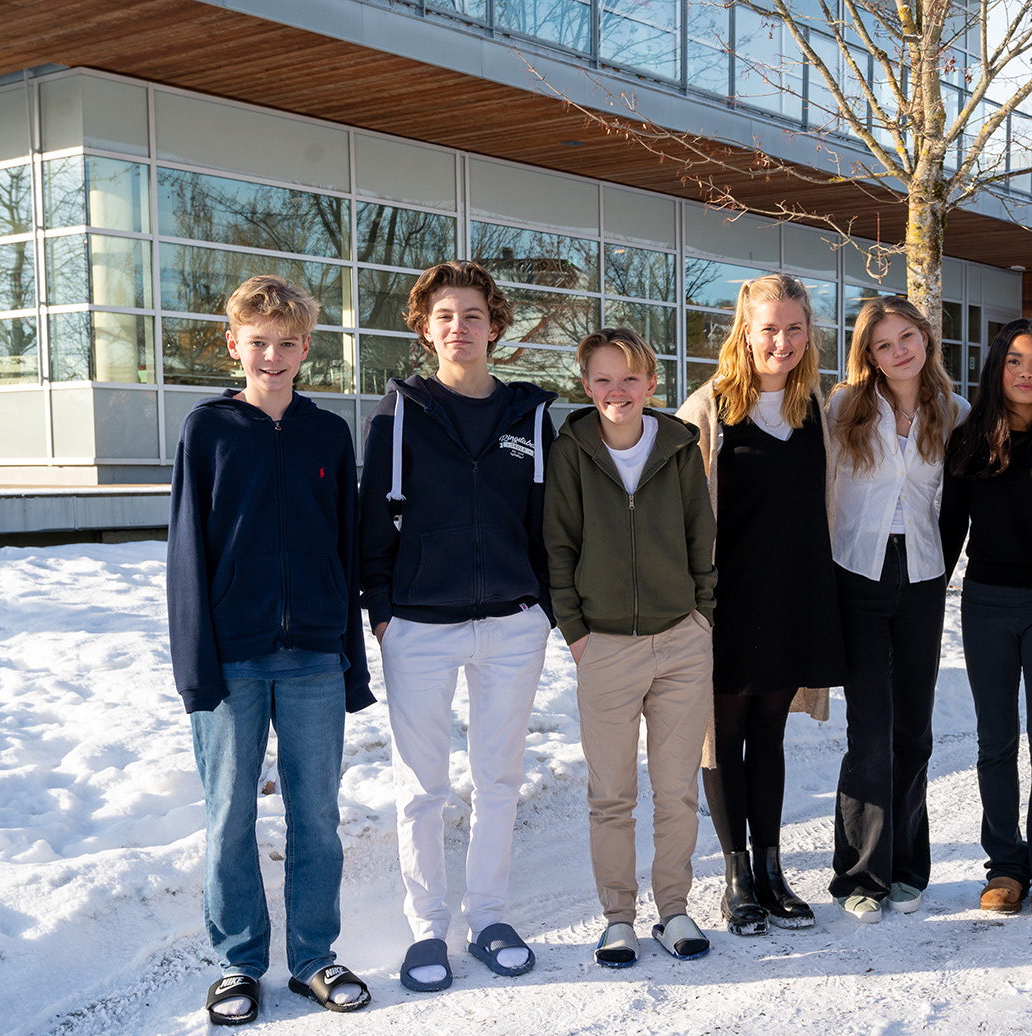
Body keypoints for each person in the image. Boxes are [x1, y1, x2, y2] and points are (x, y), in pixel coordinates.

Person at [167, 274, 375, 1026]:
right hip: (232, 657)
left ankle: (315, 957)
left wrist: (350, 660)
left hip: (315, 655)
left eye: (288, 343)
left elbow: (346, 550)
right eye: (259, 342)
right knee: (229, 815)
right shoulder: (208, 431)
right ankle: (238, 963)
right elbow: (187, 551)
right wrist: (195, 666)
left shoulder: (328, 433)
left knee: (315, 814)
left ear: (307, 348)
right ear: (234, 344)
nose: (273, 356)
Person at [358, 260, 555, 993]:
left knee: (498, 778)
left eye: (473, 315)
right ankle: (427, 928)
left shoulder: (529, 418)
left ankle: (490, 918)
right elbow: (372, 519)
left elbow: (547, 522)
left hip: (512, 625)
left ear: (495, 327)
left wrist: (545, 607)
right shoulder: (398, 415)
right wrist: (383, 611)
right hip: (418, 626)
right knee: (422, 785)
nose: (459, 328)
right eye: (444, 315)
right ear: (424, 329)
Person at [678, 272, 847, 936]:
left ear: (809, 334)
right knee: (721, 738)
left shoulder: (816, 411)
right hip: (724, 605)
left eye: (794, 328)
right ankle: (737, 877)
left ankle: (773, 871)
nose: (782, 341)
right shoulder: (709, 410)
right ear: (744, 332)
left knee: (769, 736)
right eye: (769, 328)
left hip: (792, 596)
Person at [545, 327, 716, 966]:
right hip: (606, 648)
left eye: (629, 379)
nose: (617, 391)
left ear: (650, 383)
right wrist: (577, 633)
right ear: (586, 385)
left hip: (681, 643)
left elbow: (701, 535)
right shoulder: (571, 451)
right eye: (603, 380)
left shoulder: (679, 446)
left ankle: (674, 910)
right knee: (611, 795)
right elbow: (559, 545)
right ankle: (618, 917)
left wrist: (702, 618)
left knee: (677, 792)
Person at [825, 297, 969, 924]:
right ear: (870, 356)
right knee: (870, 731)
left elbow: (958, 501)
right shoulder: (843, 409)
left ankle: (908, 866)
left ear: (925, 338)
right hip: (857, 572)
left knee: (913, 729)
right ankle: (859, 875)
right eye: (883, 344)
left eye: (906, 337)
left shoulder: (954, 412)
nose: (899, 351)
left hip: (923, 578)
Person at [941, 318, 1032, 917]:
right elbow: (950, 527)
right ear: (997, 367)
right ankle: (1004, 865)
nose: (1026, 373)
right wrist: (926, 598)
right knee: (995, 740)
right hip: (986, 604)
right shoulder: (969, 439)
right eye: (1015, 361)